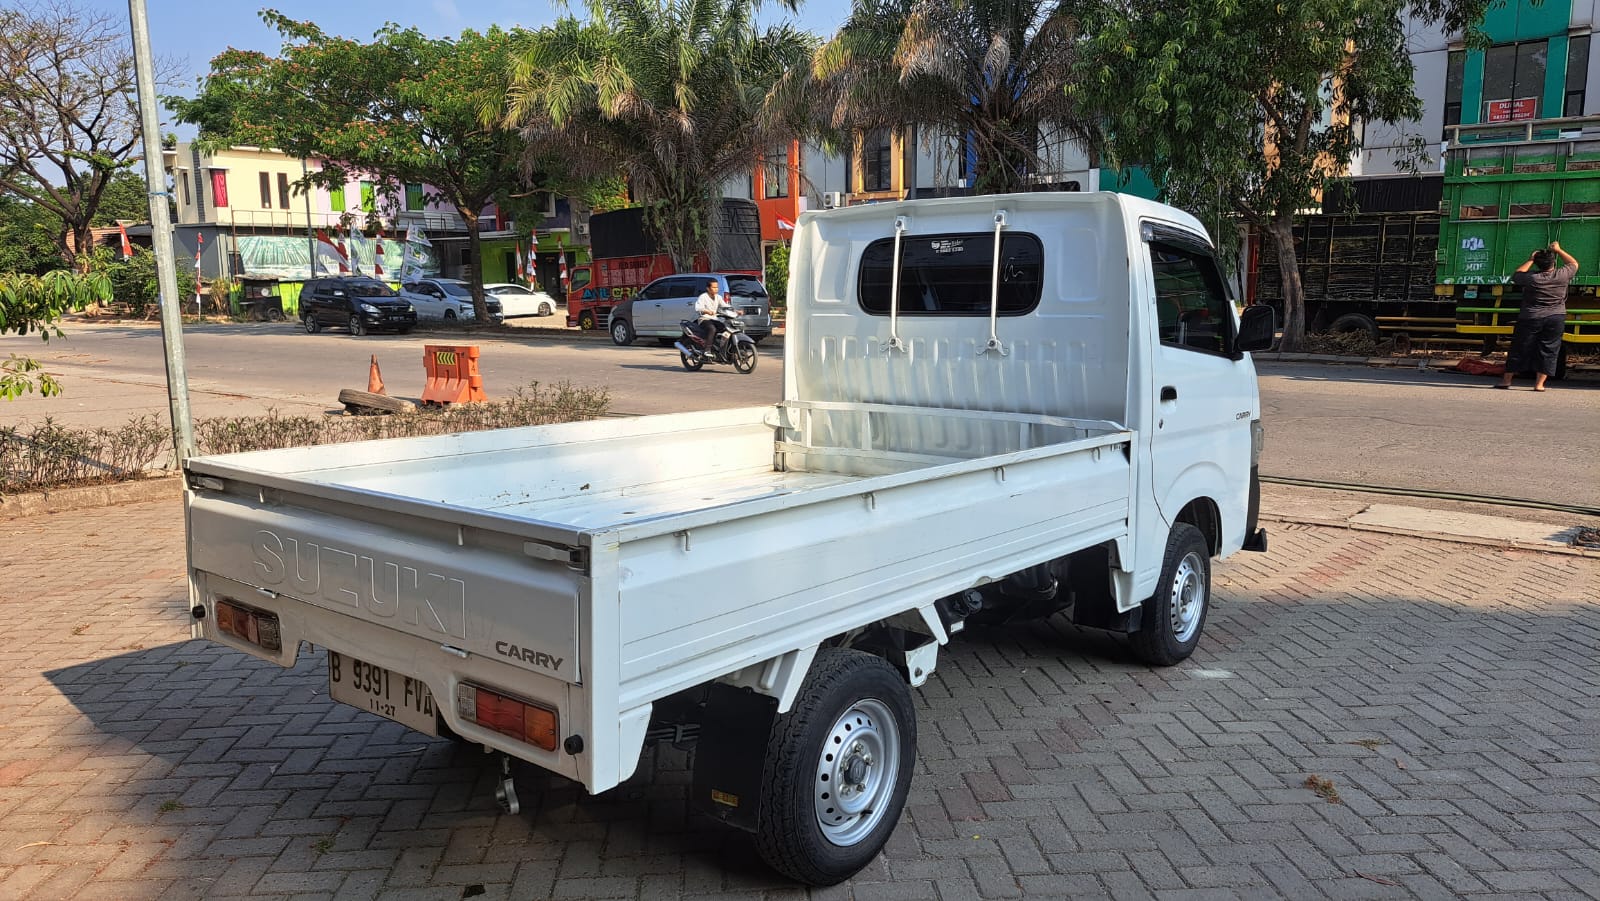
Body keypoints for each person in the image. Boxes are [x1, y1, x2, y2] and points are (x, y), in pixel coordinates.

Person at [1498, 242, 1577, 391]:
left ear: (1537, 264)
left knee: (1520, 347)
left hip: (1531, 317)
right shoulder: (1562, 275)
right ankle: (1539, 384)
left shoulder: (1532, 278)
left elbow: (1517, 275)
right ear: (1553, 263)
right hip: (1556, 317)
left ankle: (1506, 381)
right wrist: (1558, 250)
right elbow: (1573, 263)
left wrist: (1530, 259)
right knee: (1549, 349)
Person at [692, 279, 726, 350]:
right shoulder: (703, 297)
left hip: (715, 319)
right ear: (708, 288)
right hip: (704, 319)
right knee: (712, 328)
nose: (716, 289)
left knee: (725, 328)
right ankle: (707, 349)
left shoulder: (718, 297)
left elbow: (725, 306)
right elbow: (698, 308)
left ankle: (720, 348)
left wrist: (736, 311)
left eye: (717, 287)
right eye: (714, 287)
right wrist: (707, 311)